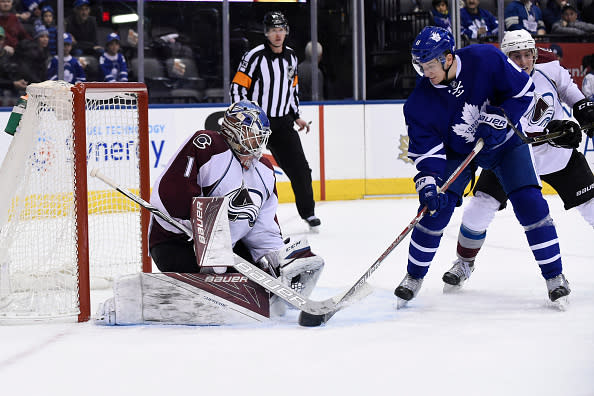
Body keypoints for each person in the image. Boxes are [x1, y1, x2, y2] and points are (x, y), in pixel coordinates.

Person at [395, 26, 570, 308]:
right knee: (432, 213)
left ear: (448, 58)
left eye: (430, 65)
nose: (425, 72)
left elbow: (523, 92)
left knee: (530, 204)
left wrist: (501, 117)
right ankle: (413, 277)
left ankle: (555, 276)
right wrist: (428, 182)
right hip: (457, 151)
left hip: (505, 145)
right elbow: (427, 150)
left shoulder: (485, 58)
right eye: (421, 66)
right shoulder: (419, 102)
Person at [443, 29, 594, 293]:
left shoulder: (551, 69)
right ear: (505, 58)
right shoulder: (495, 86)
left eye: (527, 55)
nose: (523, 62)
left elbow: (572, 95)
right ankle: (464, 262)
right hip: (511, 158)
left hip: (557, 156)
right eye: (516, 56)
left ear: (535, 54)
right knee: (478, 208)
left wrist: (581, 113)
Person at [148, 100, 323, 293]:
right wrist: (204, 232)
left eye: (259, 138)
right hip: (176, 244)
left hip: (228, 251)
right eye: (251, 136)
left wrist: (278, 257)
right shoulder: (208, 145)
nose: (256, 144)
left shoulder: (264, 170)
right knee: (239, 283)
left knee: (262, 287)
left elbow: (264, 228)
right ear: (233, 130)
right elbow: (168, 195)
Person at [229, 11, 321, 229]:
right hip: (256, 124)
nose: (277, 34)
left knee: (300, 168)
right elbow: (237, 87)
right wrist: (244, 117)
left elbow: (292, 90)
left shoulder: (291, 57)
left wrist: (296, 116)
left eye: (281, 29)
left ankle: (308, 212)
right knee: (246, 170)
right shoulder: (254, 56)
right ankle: (241, 214)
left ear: (286, 31)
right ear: (266, 33)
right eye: (273, 30)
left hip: (282, 123)